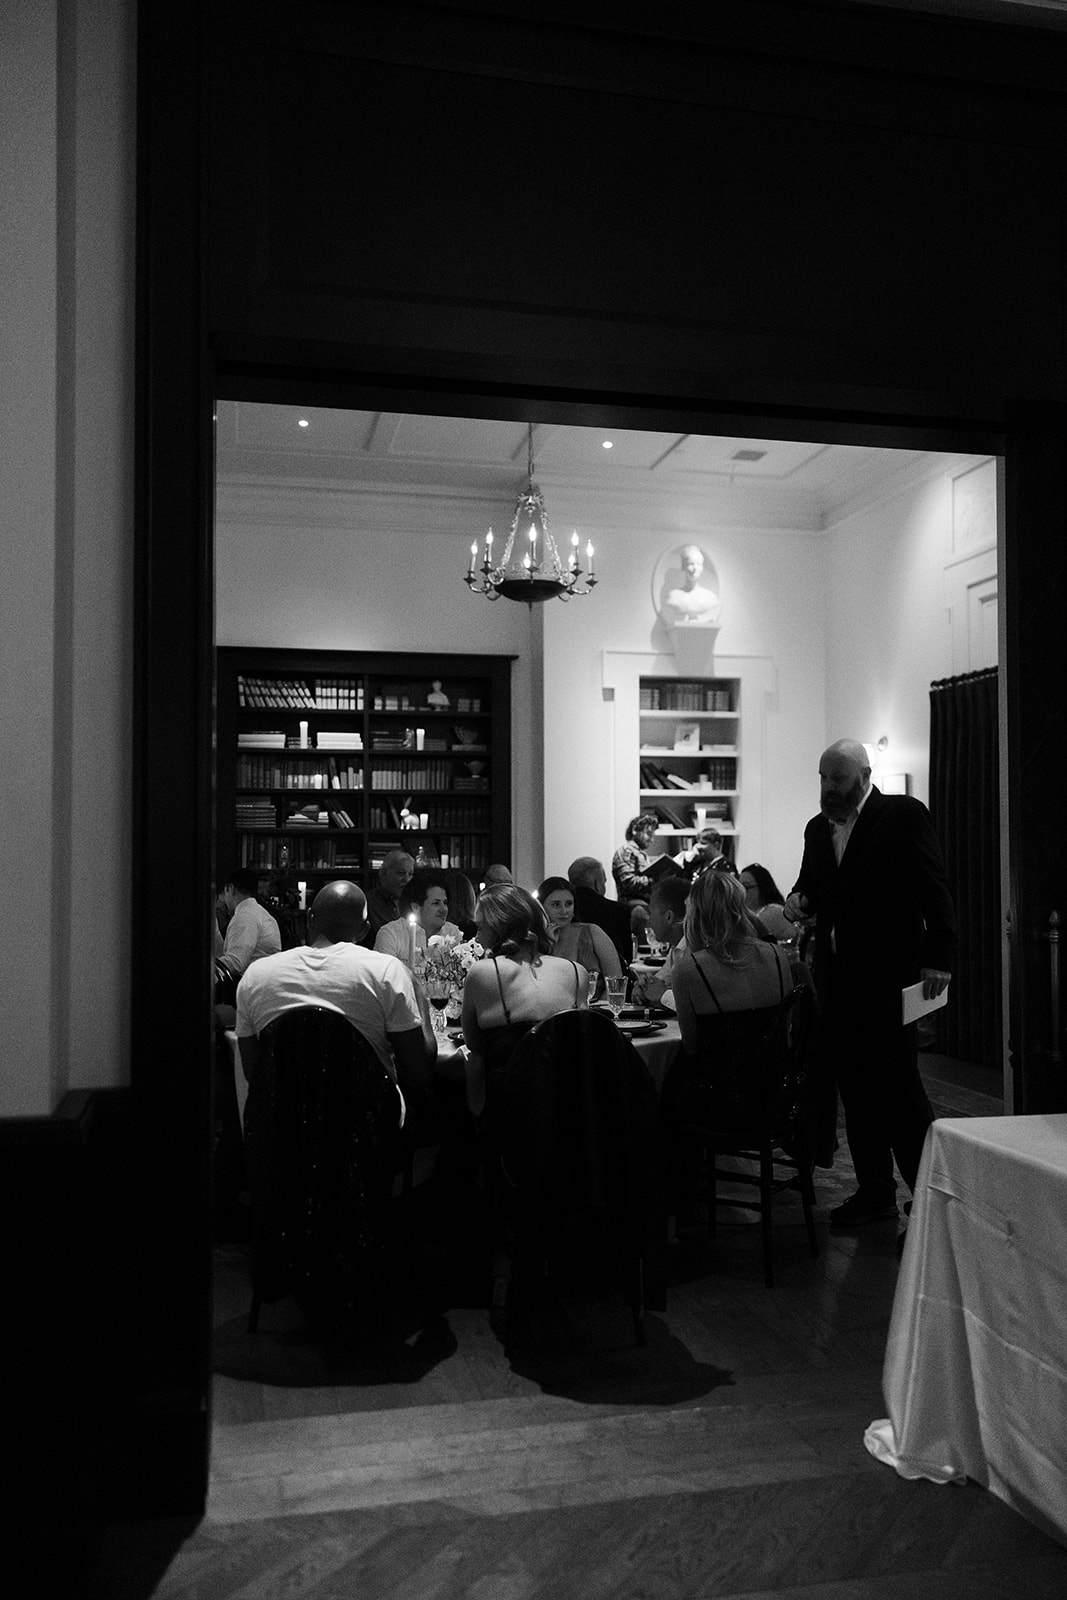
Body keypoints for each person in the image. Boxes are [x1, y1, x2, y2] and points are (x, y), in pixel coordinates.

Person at [784, 738, 956, 1233]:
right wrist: (799, 901)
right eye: (821, 778)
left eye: (836, 779)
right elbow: (811, 888)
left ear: (863, 775)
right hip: (837, 982)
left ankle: (931, 1196)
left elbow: (933, 887)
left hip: (889, 979)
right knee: (855, 1089)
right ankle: (875, 1190)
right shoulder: (818, 830)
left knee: (900, 1088)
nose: (827, 788)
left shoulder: (902, 815)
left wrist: (939, 957)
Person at [234, 880, 435, 1122]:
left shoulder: (256, 975)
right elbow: (418, 1072)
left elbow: (253, 1072)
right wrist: (416, 988)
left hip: (282, 1129)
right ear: (364, 931)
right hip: (365, 1127)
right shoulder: (386, 971)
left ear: (309, 918)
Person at [462, 884, 588, 1091]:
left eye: (481, 927)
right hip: (570, 1098)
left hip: (511, 1101)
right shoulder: (576, 971)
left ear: (498, 928)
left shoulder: (484, 972)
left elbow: (474, 1044)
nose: (477, 937)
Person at [537, 876, 622, 989]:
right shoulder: (535, 939)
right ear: (541, 907)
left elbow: (616, 982)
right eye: (556, 905)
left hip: (596, 1004)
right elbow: (537, 985)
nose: (564, 911)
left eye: (568, 904)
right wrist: (547, 945)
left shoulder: (592, 932)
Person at [567, 855, 640, 968]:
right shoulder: (618, 911)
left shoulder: (563, 912)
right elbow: (626, 958)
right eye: (604, 882)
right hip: (608, 979)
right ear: (597, 884)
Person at [630, 874, 690, 1007]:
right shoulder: (676, 948)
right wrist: (643, 989)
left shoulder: (694, 951)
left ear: (669, 917)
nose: (649, 921)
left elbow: (697, 1005)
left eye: (651, 913)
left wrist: (662, 995)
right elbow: (657, 984)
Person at [217, 869, 282, 981]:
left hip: (253, 985)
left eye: (224, 893)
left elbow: (236, 962)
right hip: (264, 981)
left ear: (230, 889)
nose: (222, 900)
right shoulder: (257, 912)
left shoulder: (245, 915)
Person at [611, 812, 667, 904]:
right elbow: (628, 883)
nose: (652, 840)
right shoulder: (626, 851)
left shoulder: (639, 853)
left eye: (653, 835)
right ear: (634, 830)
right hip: (634, 907)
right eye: (648, 834)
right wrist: (656, 879)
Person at [363, 848, 415, 944]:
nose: (407, 879)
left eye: (410, 874)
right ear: (383, 873)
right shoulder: (367, 904)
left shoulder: (414, 902)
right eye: (401, 873)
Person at [662, 544, 720, 624]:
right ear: (683, 566)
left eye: (699, 564)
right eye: (691, 564)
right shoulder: (674, 596)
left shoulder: (710, 597)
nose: (695, 568)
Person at [739, 862, 794, 941]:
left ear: (762, 888)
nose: (741, 892)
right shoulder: (750, 913)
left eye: (746, 887)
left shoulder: (773, 912)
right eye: (739, 888)